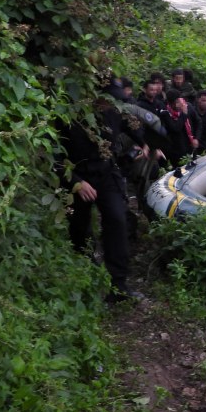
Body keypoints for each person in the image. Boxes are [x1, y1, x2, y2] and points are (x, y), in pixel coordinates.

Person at [56, 98, 142, 303]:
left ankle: (119, 285)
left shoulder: (113, 112)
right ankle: (87, 279)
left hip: (106, 174)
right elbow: (52, 156)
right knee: (79, 229)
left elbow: (137, 125)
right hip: (78, 177)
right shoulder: (67, 114)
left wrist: (145, 144)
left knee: (117, 220)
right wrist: (75, 182)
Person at [160, 89, 199, 167]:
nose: (177, 105)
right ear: (170, 103)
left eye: (178, 102)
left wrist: (196, 138)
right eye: (175, 103)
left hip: (190, 147)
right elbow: (176, 128)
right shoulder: (165, 113)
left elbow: (198, 122)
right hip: (176, 151)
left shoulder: (188, 106)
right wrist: (184, 114)